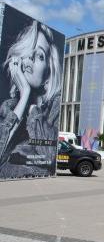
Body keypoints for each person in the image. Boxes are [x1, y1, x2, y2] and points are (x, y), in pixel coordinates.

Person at [0, 20, 62, 178]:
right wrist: (25, 95)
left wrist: (33, 109)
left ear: (49, 73)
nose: (30, 59)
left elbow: (49, 156)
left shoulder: (54, 108)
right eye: (28, 52)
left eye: (40, 56)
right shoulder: (8, 107)